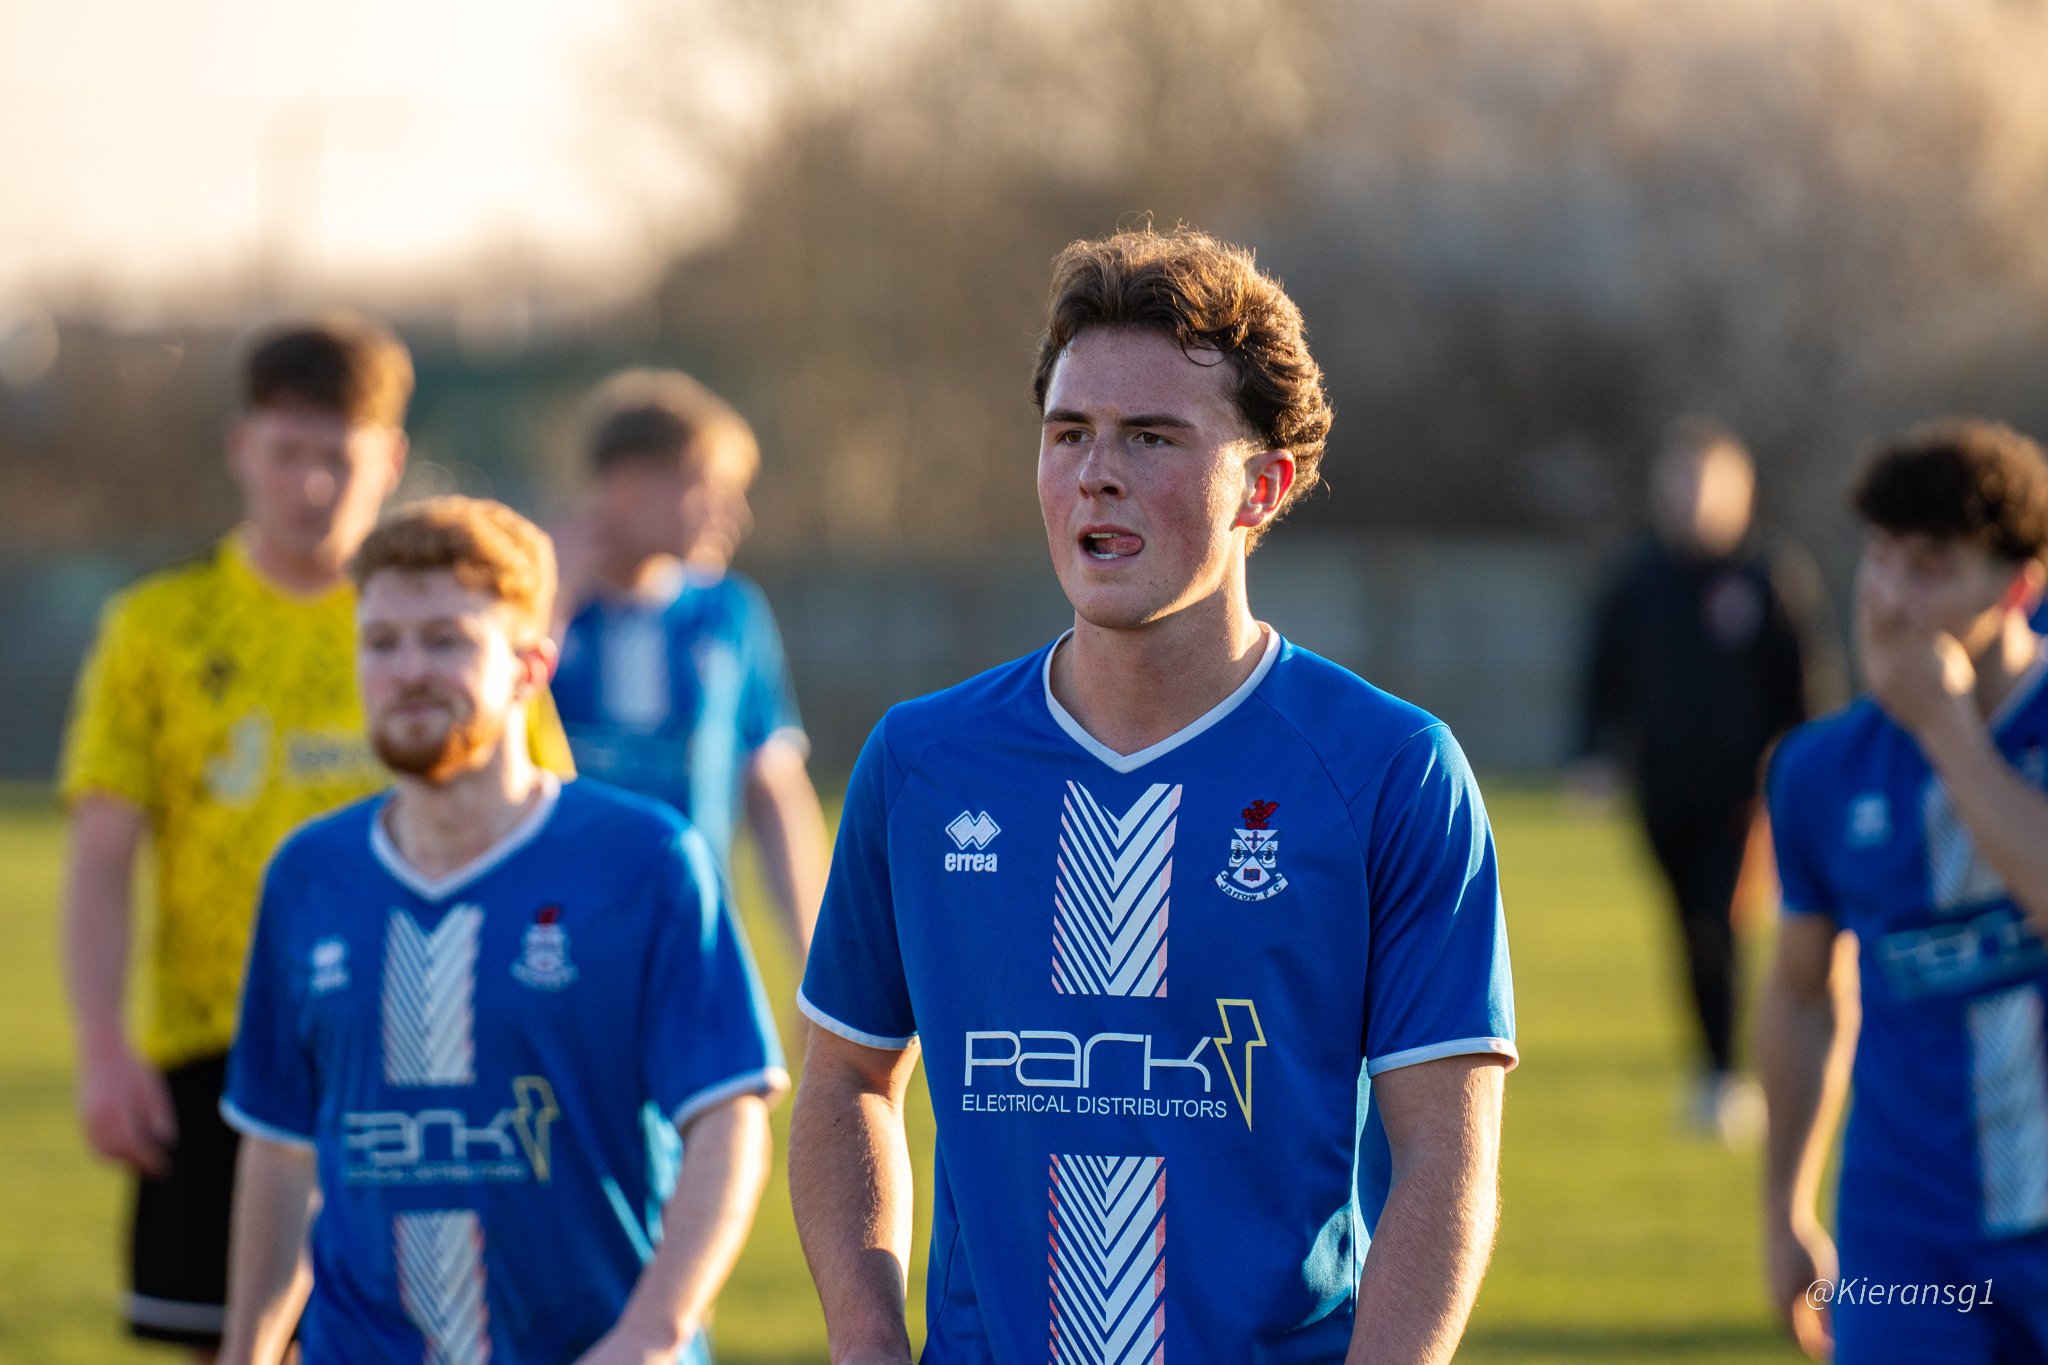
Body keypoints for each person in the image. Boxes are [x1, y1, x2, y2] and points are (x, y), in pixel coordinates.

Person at [788, 227, 1516, 1364]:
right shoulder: (921, 764)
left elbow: (1445, 1156)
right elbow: (845, 1076)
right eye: (1068, 432)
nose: (1096, 472)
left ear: (1259, 489)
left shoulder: (1389, 770)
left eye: (1151, 437)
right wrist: (865, 1335)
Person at [59, 316, 574, 1357]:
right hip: (224, 1047)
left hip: (445, 1049)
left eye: (336, 458)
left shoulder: (453, 624)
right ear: (241, 446)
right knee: (233, 1339)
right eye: (286, 453)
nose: (309, 486)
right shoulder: (159, 628)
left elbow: (546, 826)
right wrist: (105, 1049)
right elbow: (102, 852)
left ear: (387, 458)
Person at [218, 496, 786, 1365]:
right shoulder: (308, 875)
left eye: (445, 640)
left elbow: (727, 1116)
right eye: (382, 642)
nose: (408, 669)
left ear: (530, 667)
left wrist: (652, 1334)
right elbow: (280, 1147)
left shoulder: (644, 860)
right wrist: (247, 1352)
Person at [1761, 418, 2048, 1363]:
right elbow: (1802, 992)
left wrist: (1949, 731)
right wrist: (1785, 1207)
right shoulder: (1818, 770)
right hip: (1908, 1239)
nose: (1888, 596)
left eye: (1931, 567)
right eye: (1880, 559)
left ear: (2018, 585)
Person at [1575, 417, 1841, 1138]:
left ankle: (1726, 1074)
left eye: (1707, 484)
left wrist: (1808, 777)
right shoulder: (1636, 579)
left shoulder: (1768, 577)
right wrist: (1593, 756)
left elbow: (1804, 688)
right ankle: (1713, 1063)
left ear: (1741, 491)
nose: (1693, 498)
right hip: (1661, 790)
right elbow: (1601, 676)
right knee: (1688, 924)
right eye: (1681, 482)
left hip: (1744, 795)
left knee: (1722, 919)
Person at [550, 369, 828, 955]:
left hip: (691, 938)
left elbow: (774, 785)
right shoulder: (530, 609)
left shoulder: (729, 612)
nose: (735, 515)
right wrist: (548, 598)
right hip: (553, 939)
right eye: (711, 489)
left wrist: (814, 954)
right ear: (630, 488)